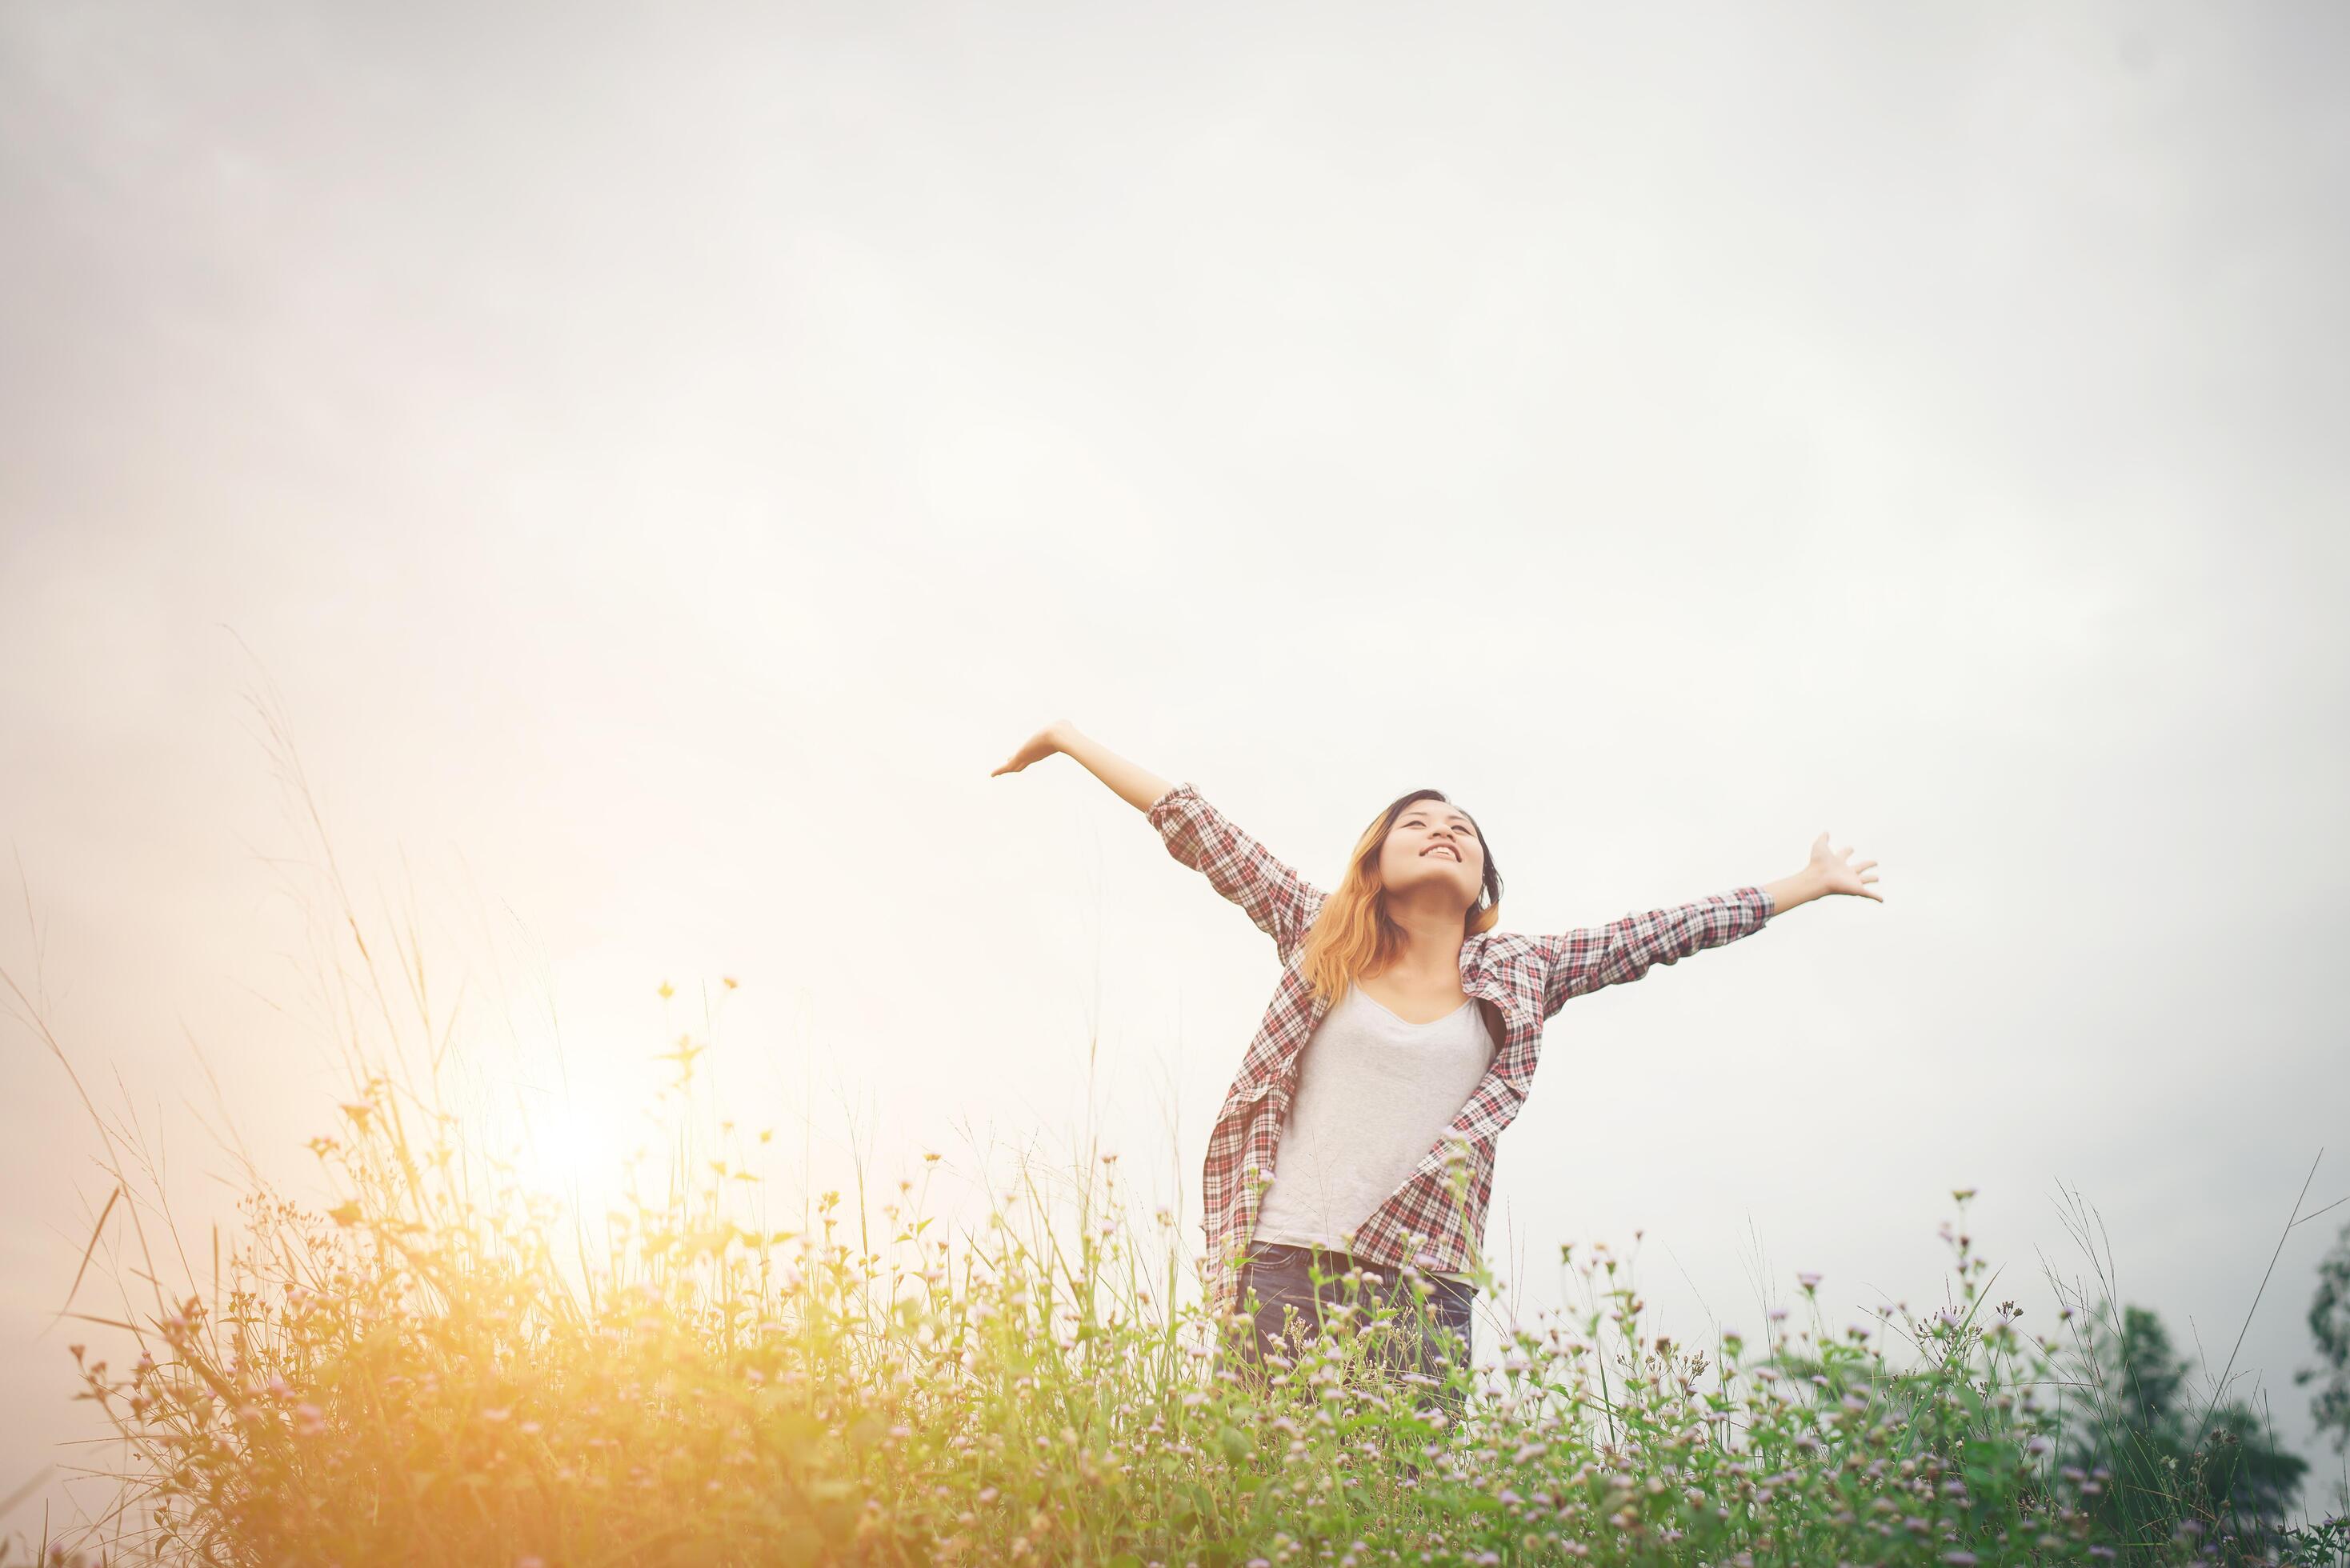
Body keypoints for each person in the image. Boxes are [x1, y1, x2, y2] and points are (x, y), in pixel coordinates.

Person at [991, 719, 1883, 1415]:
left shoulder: (1524, 972)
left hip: (1425, 1290)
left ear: (1484, 882)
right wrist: (1069, 739)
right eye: (1416, 824)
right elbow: (1199, 828)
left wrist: (1806, 882)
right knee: (1266, 1508)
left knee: (1393, 1516)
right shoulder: (1320, 936)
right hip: (1285, 1268)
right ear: (1374, 862)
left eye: (1461, 829)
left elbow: (1664, 931)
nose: (1442, 831)